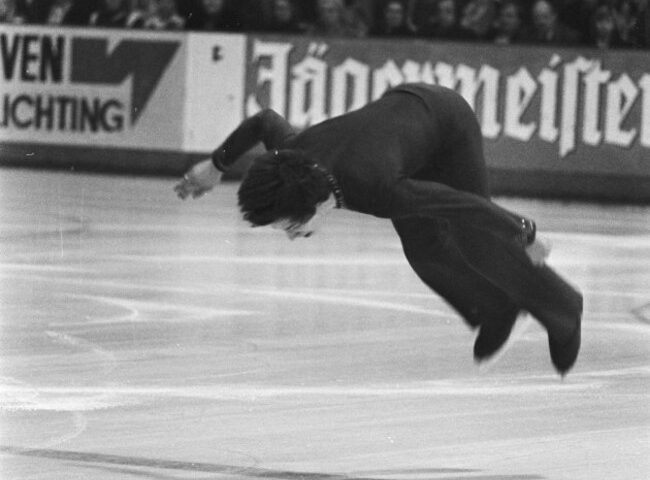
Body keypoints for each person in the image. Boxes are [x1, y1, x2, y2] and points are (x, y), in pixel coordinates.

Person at [175, 83, 583, 375]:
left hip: (446, 124)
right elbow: (264, 121)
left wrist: (526, 232)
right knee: (423, 249)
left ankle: (564, 309)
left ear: (313, 204)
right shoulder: (291, 157)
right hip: (401, 129)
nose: (292, 235)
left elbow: (461, 205)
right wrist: (215, 165)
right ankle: (497, 310)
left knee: (474, 240)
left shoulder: (377, 189)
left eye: (291, 225)